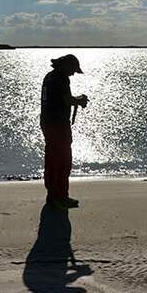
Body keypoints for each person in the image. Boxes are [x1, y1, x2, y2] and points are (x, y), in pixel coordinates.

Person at [40, 54, 88, 210]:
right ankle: (57, 197)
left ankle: (58, 196)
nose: (73, 73)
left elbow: (63, 99)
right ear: (65, 65)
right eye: (73, 69)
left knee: (54, 160)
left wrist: (76, 99)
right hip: (57, 124)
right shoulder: (60, 79)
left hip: (49, 122)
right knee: (62, 161)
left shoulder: (50, 77)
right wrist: (79, 101)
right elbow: (66, 100)